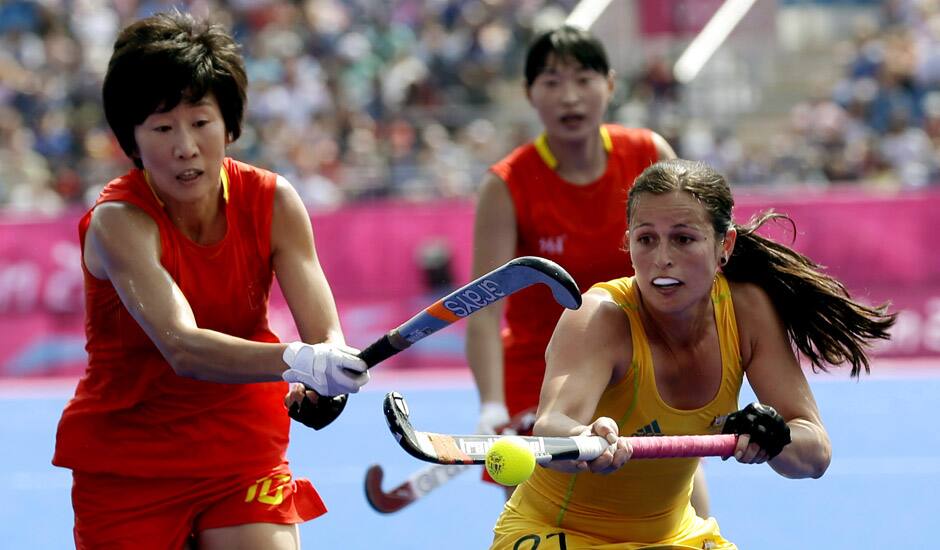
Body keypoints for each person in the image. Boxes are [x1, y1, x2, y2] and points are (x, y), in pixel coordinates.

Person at [52, 12, 369, 549]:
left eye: (200, 122)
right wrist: (298, 360)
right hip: (129, 462)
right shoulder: (118, 222)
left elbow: (324, 337)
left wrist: (325, 383)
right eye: (161, 128)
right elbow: (184, 348)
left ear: (229, 125)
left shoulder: (275, 202)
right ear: (131, 139)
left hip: (241, 448)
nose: (185, 147)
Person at [490, 159, 897, 549]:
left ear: (725, 245)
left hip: (674, 536)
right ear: (628, 243)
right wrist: (584, 439)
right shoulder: (600, 316)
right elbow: (551, 428)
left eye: (683, 238)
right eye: (645, 239)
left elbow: (814, 455)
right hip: (555, 533)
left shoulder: (747, 312)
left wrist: (775, 437)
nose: (662, 258)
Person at [462, 24, 716, 513]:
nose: (570, 96)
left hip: (639, 360)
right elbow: (484, 311)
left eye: (584, 79)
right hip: (540, 376)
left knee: (687, 513)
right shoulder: (507, 184)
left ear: (611, 85)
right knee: (544, 522)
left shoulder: (649, 155)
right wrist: (491, 404)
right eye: (552, 82)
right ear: (529, 93)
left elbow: (693, 271)